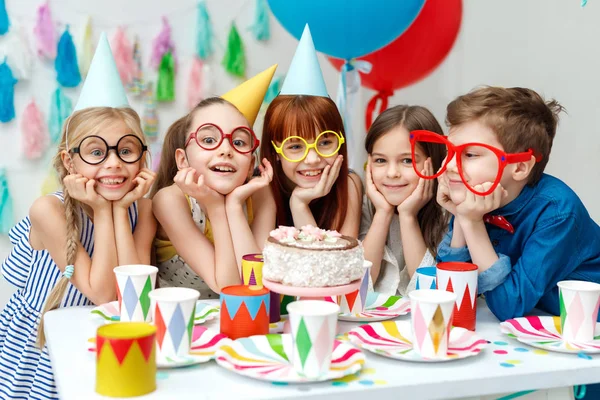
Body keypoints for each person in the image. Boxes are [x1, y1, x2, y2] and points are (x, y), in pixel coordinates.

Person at [0, 34, 156, 399]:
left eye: (127, 150)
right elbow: (103, 292)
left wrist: (119, 209)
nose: (114, 162)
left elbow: (133, 299)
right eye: (96, 152)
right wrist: (105, 210)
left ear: (143, 158)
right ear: (70, 161)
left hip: (112, 336)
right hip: (44, 345)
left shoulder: (144, 209)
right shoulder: (48, 210)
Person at [415, 86, 600, 320]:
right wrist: (462, 218)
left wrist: (472, 223)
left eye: (470, 155)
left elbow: (509, 306)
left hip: (587, 329)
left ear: (520, 167)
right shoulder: (475, 198)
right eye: (449, 151)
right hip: (542, 321)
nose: (450, 165)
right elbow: (452, 292)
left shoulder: (557, 212)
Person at [151, 66, 277, 298]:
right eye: (209, 139)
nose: (226, 150)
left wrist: (234, 205)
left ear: (250, 165)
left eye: (239, 143)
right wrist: (217, 207)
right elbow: (227, 286)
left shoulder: (260, 195)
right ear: (182, 159)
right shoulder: (170, 200)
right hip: (183, 320)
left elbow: (256, 283)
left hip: (242, 317)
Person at [260, 25, 362, 236]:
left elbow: (336, 266)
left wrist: (300, 206)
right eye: (296, 146)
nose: (314, 158)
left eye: (325, 142)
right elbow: (257, 265)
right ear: (275, 151)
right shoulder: (261, 186)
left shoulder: (348, 184)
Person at [360, 105, 448, 295]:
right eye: (380, 160)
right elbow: (358, 289)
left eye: (407, 160)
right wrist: (382, 214)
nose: (392, 173)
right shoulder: (366, 208)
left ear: (435, 162)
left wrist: (408, 217)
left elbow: (431, 294)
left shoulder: (449, 214)